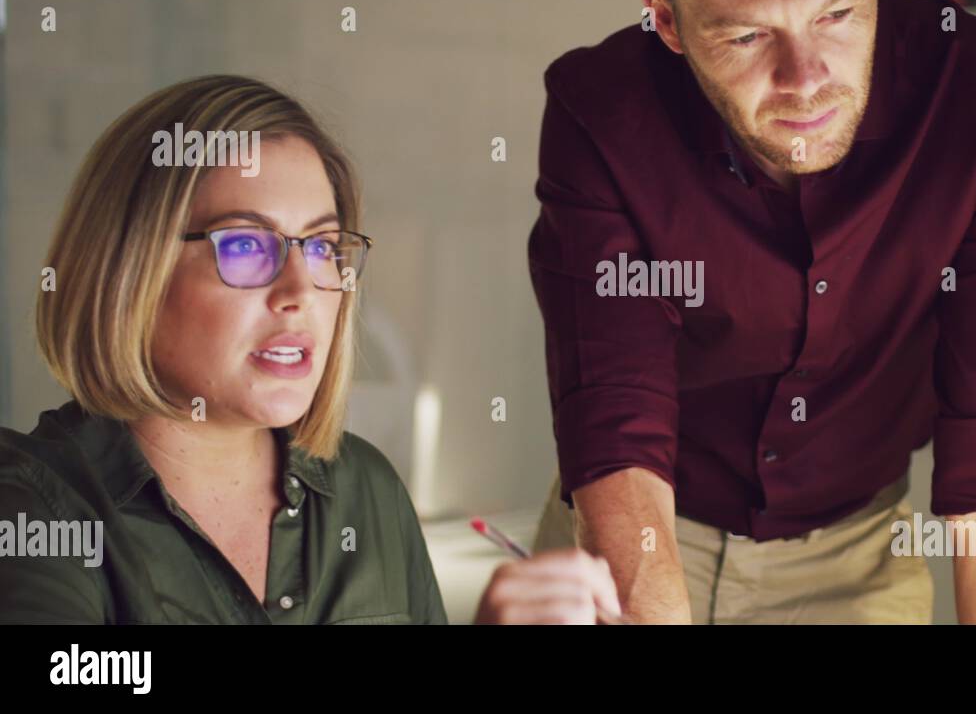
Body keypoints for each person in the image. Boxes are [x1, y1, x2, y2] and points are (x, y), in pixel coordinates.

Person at [528, 0, 976, 623]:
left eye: (835, 14)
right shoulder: (601, 112)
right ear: (664, 19)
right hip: (642, 530)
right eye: (749, 35)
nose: (806, 79)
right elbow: (615, 423)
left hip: (854, 552)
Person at [0, 75, 621, 625]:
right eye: (245, 247)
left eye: (323, 248)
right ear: (128, 272)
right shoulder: (34, 510)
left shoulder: (365, 487)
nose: (301, 291)